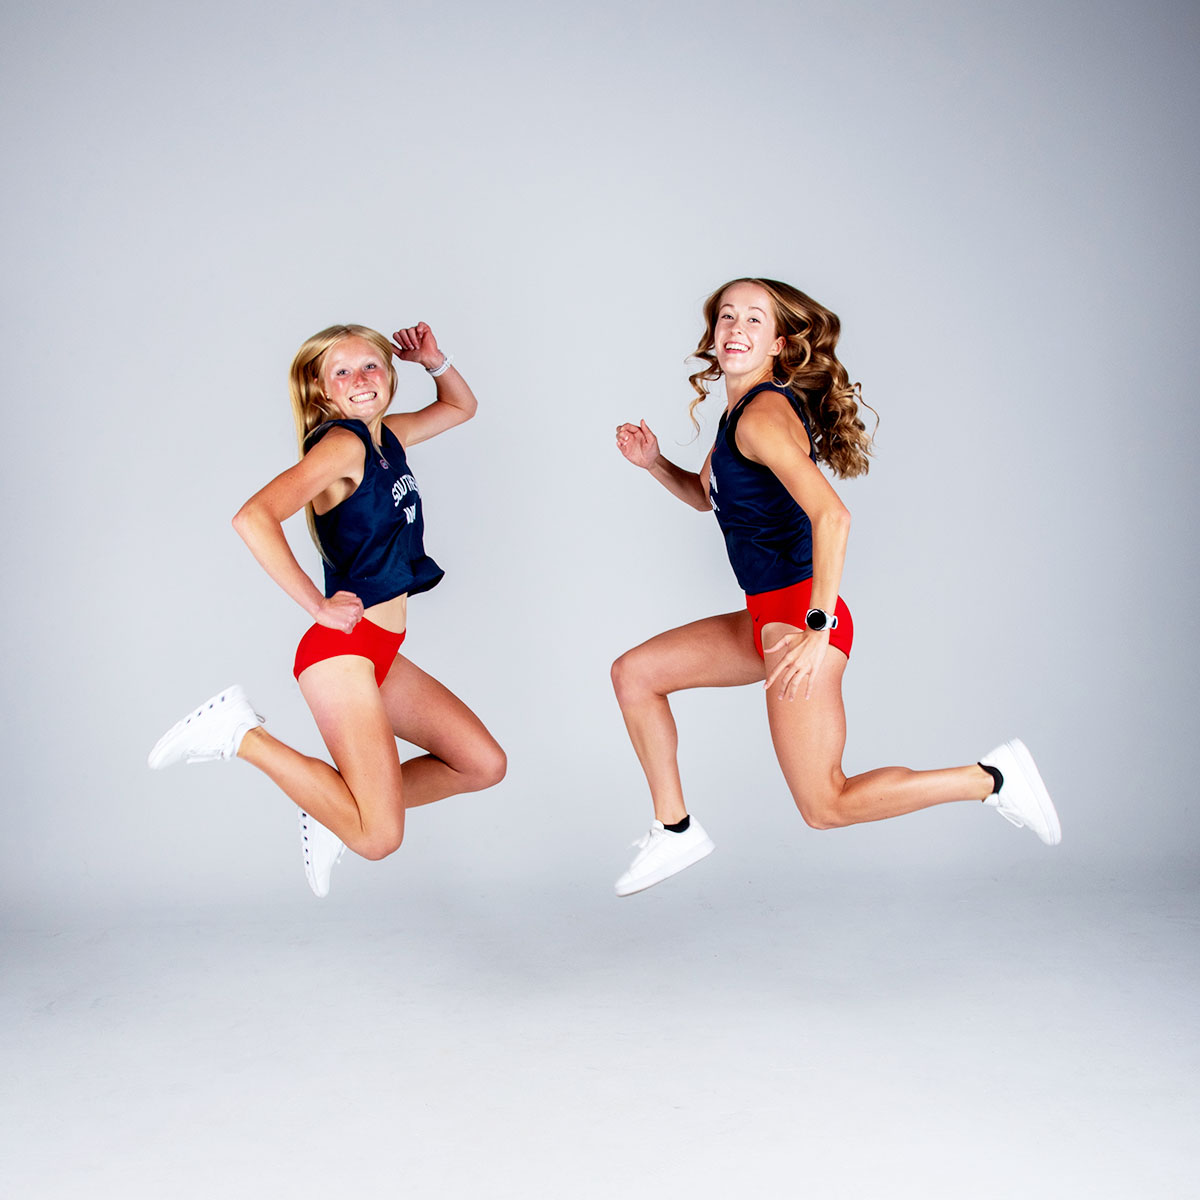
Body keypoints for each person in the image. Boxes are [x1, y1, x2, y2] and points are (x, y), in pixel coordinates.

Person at [610, 278, 1059, 897]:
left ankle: (992, 779)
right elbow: (707, 496)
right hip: (765, 615)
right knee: (635, 674)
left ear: (779, 344)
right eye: (728, 317)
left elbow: (833, 516)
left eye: (755, 320)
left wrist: (817, 628)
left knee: (826, 804)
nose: (737, 328)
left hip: (801, 618)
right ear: (713, 335)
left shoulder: (762, 416)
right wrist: (655, 463)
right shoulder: (737, 416)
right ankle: (675, 829)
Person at [149, 322, 506, 897]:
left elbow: (461, 407)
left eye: (371, 366)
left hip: (379, 651)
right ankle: (239, 734)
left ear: (389, 374)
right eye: (342, 372)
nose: (360, 379)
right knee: (378, 838)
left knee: (481, 763)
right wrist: (315, 604)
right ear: (321, 389)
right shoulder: (343, 445)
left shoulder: (386, 435)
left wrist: (433, 361)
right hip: (341, 653)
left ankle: (330, 807)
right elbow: (253, 517)